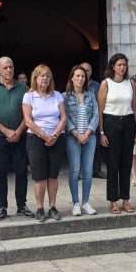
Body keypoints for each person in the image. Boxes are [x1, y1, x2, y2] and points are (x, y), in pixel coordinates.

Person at [0, 57, 33, 220]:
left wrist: (18, 132)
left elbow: (28, 114)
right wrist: (6, 131)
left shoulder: (23, 88)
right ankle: (2, 206)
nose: (9, 70)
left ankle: (21, 205)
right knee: (1, 172)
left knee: (21, 172)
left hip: (20, 136)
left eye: (11, 67)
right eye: (5, 68)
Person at [23, 64, 67, 221]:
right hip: (36, 139)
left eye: (48, 76)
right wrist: (44, 136)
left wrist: (54, 136)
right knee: (39, 176)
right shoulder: (29, 96)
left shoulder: (57, 95)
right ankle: (40, 208)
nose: (45, 78)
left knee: (53, 175)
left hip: (57, 138)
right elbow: (28, 120)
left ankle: (53, 207)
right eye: (42, 75)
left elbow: (63, 117)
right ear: (35, 78)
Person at [98, 53, 136, 214]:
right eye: (119, 65)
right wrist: (101, 132)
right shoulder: (106, 83)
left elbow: (135, 107)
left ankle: (126, 200)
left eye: (124, 65)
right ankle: (113, 201)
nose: (122, 68)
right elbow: (100, 110)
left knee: (126, 164)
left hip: (128, 123)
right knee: (113, 164)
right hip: (111, 123)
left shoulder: (130, 83)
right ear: (113, 66)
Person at [62, 65, 99, 216]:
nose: (80, 79)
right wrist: (77, 134)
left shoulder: (91, 95)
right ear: (72, 77)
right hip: (73, 138)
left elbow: (96, 115)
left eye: (83, 76)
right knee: (75, 170)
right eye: (77, 76)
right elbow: (64, 118)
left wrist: (87, 133)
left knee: (88, 171)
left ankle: (86, 202)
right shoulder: (65, 96)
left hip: (89, 138)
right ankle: (76, 203)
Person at [80, 62, 107, 179]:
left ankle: (96, 170)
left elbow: (101, 103)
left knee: (95, 147)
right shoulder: (75, 84)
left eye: (87, 70)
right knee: (78, 147)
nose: (85, 72)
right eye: (83, 70)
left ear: (91, 72)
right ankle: (80, 171)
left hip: (94, 121)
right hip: (79, 121)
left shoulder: (97, 86)